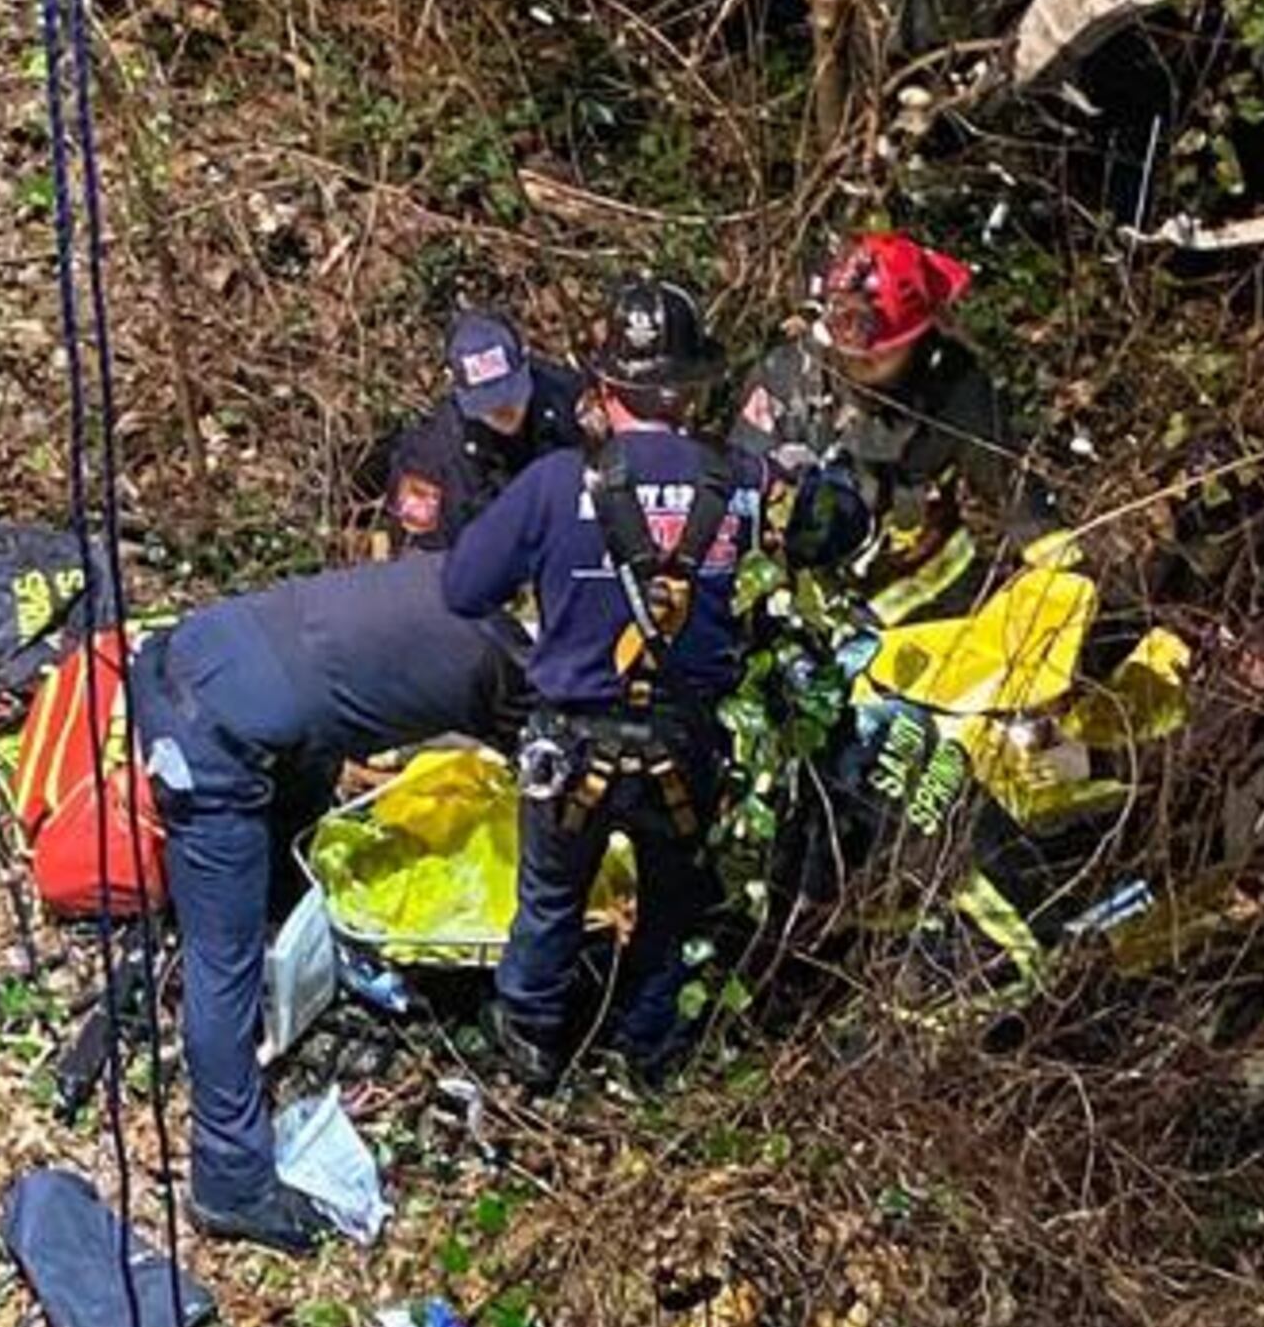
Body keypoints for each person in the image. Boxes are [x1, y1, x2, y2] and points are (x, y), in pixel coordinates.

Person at [131, 553, 527, 1254]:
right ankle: (230, 1180)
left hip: (217, 658)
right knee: (221, 960)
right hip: (209, 735)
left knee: (300, 805)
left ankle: (288, 950)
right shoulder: (509, 670)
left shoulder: (457, 575)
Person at [443, 277, 767, 1089]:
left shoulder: (556, 484)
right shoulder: (747, 486)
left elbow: (462, 588)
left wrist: (539, 632)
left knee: (549, 903)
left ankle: (529, 1049)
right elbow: (843, 527)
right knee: (671, 908)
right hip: (686, 748)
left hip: (569, 745)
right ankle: (645, 1052)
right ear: (692, 388)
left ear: (604, 386)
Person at [727, 230, 1040, 625]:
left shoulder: (954, 386)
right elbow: (737, 493)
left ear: (918, 335)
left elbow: (1015, 491)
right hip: (801, 607)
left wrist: (1056, 564)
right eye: (848, 349)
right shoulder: (785, 379)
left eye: (880, 353)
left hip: (934, 602)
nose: (861, 362)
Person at [368, 308, 586, 555]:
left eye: (510, 394)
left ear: (525, 362)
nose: (504, 411)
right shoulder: (430, 460)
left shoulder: (569, 398)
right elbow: (422, 565)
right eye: (489, 404)